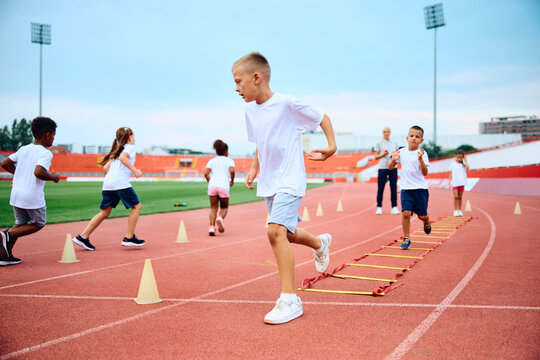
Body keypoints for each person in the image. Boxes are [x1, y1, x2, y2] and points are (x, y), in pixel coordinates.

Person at [232, 52, 337, 325]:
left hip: (290, 178)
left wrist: (331, 146)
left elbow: (322, 116)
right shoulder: (249, 110)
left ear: (257, 77)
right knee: (286, 235)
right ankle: (319, 243)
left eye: (238, 81)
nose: (236, 88)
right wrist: (254, 167)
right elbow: (260, 141)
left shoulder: (287, 104)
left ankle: (290, 299)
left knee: (274, 231)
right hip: (269, 181)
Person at [72, 127, 145, 251]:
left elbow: (105, 168)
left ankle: (83, 237)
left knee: (105, 212)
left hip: (108, 184)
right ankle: (129, 237)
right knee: (136, 206)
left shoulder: (117, 150)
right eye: (133, 135)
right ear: (129, 137)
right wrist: (135, 171)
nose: (134, 138)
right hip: (120, 183)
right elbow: (123, 158)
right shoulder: (129, 148)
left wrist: (111, 181)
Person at [0, 117, 60, 266]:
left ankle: (4, 256)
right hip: (32, 196)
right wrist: (53, 177)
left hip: (16, 193)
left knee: (20, 223)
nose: (53, 138)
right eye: (53, 135)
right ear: (47, 134)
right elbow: (39, 172)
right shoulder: (45, 153)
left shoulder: (23, 149)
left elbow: (5, 164)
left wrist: (20, 174)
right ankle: (6, 234)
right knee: (38, 223)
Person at [388, 125, 431, 250]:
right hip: (406, 189)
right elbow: (390, 167)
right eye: (411, 136)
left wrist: (421, 159)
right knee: (406, 213)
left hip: (420, 189)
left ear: (421, 140)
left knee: (422, 216)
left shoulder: (422, 153)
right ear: (407, 138)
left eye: (417, 137)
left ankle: (427, 221)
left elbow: (425, 173)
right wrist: (394, 160)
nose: (414, 138)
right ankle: (406, 238)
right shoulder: (401, 152)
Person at [204, 139, 235, 236]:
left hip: (212, 185)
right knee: (224, 207)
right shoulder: (229, 161)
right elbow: (232, 171)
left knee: (213, 207)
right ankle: (220, 218)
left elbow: (206, 173)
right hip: (223, 185)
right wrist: (232, 181)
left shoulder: (212, 161)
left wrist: (210, 181)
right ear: (226, 151)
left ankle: (212, 227)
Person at [373, 127, 400, 215]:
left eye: (388, 131)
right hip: (382, 168)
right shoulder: (378, 143)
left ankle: (394, 207)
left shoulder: (395, 143)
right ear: (382, 133)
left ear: (390, 132)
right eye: (384, 132)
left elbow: (397, 155)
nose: (386, 133)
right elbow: (376, 157)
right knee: (380, 188)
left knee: (393, 187)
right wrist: (383, 154)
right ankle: (379, 207)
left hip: (393, 167)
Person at [449, 150, 469, 216]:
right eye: (458, 157)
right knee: (456, 197)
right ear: (455, 156)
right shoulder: (452, 164)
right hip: (454, 183)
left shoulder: (463, 165)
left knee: (460, 197)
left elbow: (468, 168)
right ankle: (455, 211)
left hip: (462, 182)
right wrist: (449, 181)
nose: (459, 159)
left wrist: (465, 160)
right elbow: (450, 173)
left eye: (461, 157)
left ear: (463, 157)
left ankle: (459, 210)